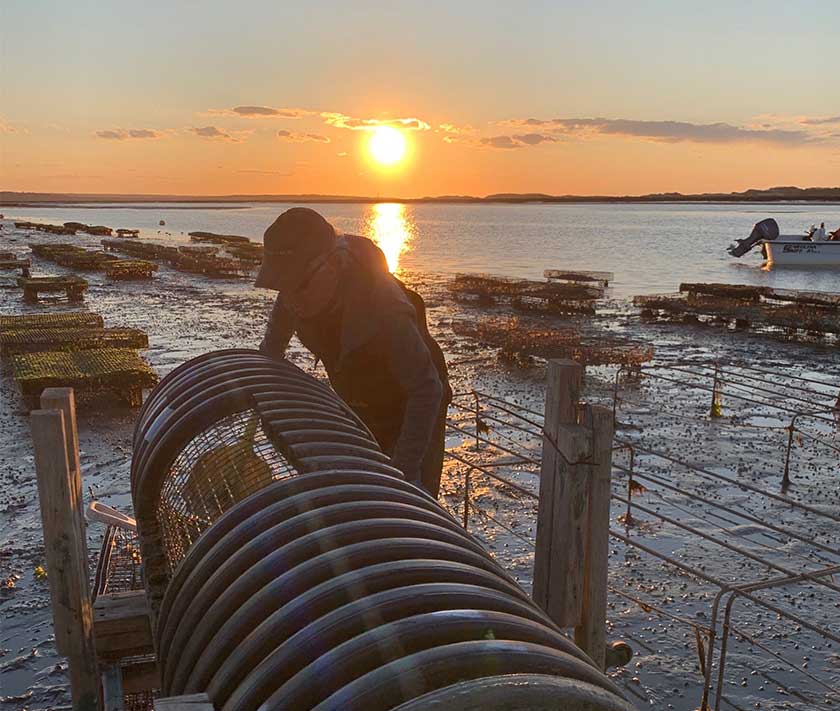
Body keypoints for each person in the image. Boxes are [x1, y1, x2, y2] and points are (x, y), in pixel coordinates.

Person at [256, 207, 451, 497]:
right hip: (359, 398)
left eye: (299, 286)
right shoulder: (295, 293)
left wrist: (402, 474)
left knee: (406, 498)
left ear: (334, 264)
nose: (290, 300)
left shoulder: (385, 308)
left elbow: (426, 389)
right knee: (357, 485)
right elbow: (270, 353)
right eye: (282, 287)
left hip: (416, 403)